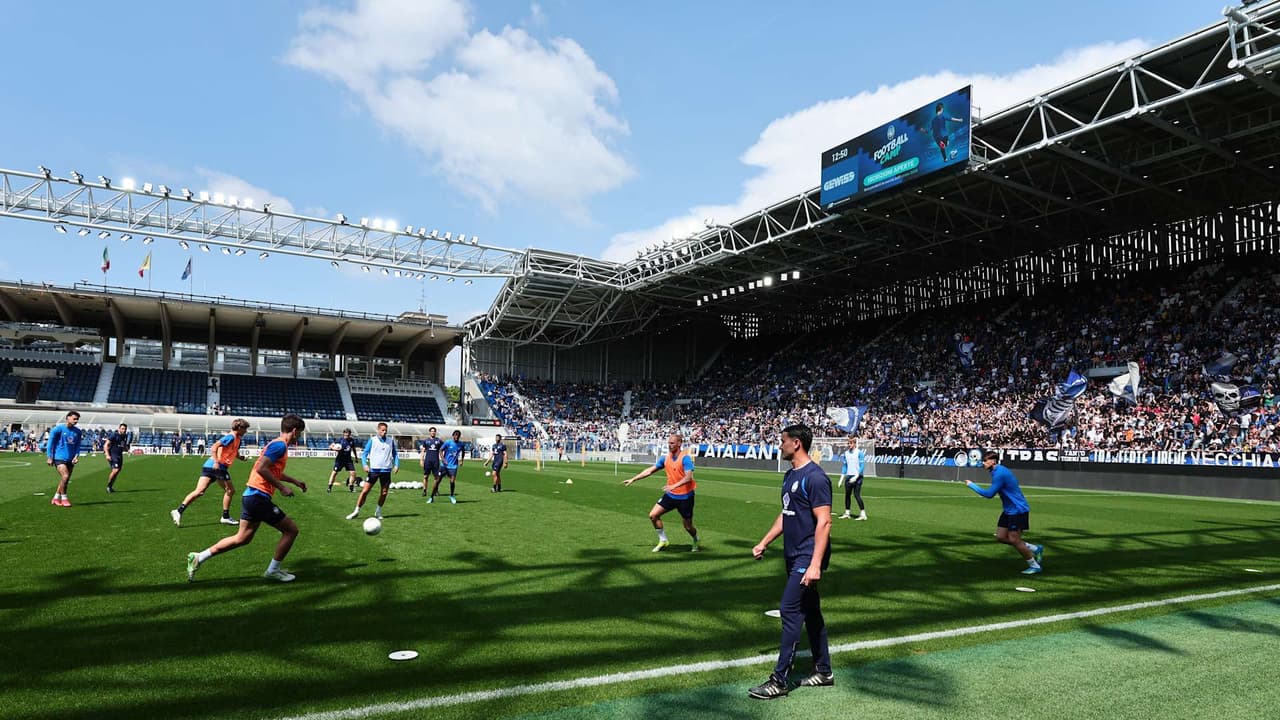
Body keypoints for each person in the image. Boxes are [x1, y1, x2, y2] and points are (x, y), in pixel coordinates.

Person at [749, 423, 834, 699]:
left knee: (789, 609)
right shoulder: (789, 476)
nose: (780, 445)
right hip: (793, 553)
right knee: (811, 611)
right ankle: (824, 671)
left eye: (783, 440)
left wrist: (815, 564)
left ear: (796, 443)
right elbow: (786, 514)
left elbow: (824, 522)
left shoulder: (816, 478)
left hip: (808, 555)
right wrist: (764, 541)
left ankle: (780, 680)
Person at [186, 414, 308, 583]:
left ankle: (199, 557)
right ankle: (273, 570)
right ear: (294, 431)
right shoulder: (279, 446)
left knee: (242, 538)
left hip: (252, 496)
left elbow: (273, 471)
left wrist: (294, 481)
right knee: (291, 530)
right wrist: (281, 488)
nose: (299, 436)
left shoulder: (277, 445)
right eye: (300, 433)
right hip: (258, 497)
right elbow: (261, 468)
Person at [964, 451, 1043, 575]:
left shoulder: (999, 474)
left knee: (1014, 539)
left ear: (993, 461)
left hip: (1017, 510)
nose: (982, 463)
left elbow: (989, 494)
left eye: (985, 461)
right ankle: (1035, 548)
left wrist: (972, 485)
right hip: (1009, 510)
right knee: (1000, 537)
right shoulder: (996, 471)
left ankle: (1034, 565)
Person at [622, 433, 700, 553]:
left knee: (688, 526)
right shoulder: (665, 458)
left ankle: (695, 539)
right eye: (669, 443)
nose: (670, 445)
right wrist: (634, 478)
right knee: (653, 515)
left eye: (672, 443)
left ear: (679, 444)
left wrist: (673, 485)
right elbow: (649, 471)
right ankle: (663, 540)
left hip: (685, 497)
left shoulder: (685, 458)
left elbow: (688, 477)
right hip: (670, 495)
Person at [171, 419, 250, 527]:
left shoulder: (237, 439)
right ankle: (225, 517)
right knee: (230, 490)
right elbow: (214, 447)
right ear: (239, 428)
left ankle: (178, 511)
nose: (246, 431)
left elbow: (234, 451)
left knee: (199, 491)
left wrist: (241, 457)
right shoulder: (230, 437)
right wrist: (217, 462)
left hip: (208, 465)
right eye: (245, 429)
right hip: (218, 466)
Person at [346, 422, 398, 520]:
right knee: (365, 491)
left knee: (384, 492)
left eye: (386, 430)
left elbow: (395, 454)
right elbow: (364, 454)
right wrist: (365, 465)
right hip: (374, 470)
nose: (384, 432)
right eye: (382, 430)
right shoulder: (372, 440)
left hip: (386, 471)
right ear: (378, 430)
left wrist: (396, 464)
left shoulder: (390, 441)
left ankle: (378, 511)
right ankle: (356, 511)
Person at [46, 411, 84, 507]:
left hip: (70, 459)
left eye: (77, 419)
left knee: (65, 479)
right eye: (74, 419)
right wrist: (49, 457)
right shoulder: (58, 429)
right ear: (68, 418)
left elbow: (78, 446)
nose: (76, 421)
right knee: (65, 476)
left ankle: (55, 498)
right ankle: (64, 499)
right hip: (59, 457)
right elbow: (50, 443)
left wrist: (76, 456)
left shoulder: (78, 432)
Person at [430, 429, 465, 504]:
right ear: (453, 436)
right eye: (455, 435)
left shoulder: (461, 444)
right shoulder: (448, 442)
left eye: (458, 436)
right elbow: (440, 450)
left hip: (453, 466)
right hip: (444, 465)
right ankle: (431, 497)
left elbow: (463, 451)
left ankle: (452, 496)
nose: (456, 437)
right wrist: (443, 459)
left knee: (452, 481)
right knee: (437, 481)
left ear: (459, 437)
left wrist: (462, 460)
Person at [837, 435, 867, 520]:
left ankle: (863, 514)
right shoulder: (846, 453)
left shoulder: (859, 453)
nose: (849, 444)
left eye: (850, 443)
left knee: (857, 495)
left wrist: (857, 475)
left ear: (854, 443)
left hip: (857, 477)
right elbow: (845, 466)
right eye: (848, 443)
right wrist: (841, 479)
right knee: (847, 495)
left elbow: (862, 466)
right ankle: (847, 513)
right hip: (849, 477)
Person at [326, 428, 360, 493]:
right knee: (334, 473)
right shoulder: (340, 440)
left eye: (348, 433)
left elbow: (354, 449)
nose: (347, 434)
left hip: (348, 460)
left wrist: (356, 457)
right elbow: (330, 446)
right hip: (340, 460)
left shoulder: (351, 440)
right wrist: (334, 449)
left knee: (353, 473)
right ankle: (329, 487)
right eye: (346, 433)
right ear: (344, 433)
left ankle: (351, 487)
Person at [103, 423, 131, 493]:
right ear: (119, 428)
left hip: (119, 455)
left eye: (125, 429)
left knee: (117, 471)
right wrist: (107, 455)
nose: (124, 430)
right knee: (115, 470)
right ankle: (108, 486)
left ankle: (110, 487)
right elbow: (106, 445)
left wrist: (127, 450)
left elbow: (123, 444)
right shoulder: (114, 435)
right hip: (113, 455)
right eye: (122, 429)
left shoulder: (124, 436)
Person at [419, 427, 444, 498]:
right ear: (429, 432)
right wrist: (421, 459)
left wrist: (443, 458)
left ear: (435, 432)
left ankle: (435, 490)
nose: (433, 432)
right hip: (428, 461)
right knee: (425, 476)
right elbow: (423, 451)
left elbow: (442, 449)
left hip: (436, 461)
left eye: (434, 431)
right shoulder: (426, 441)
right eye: (432, 431)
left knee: (436, 477)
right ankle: (424, 490)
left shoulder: (439, 441)